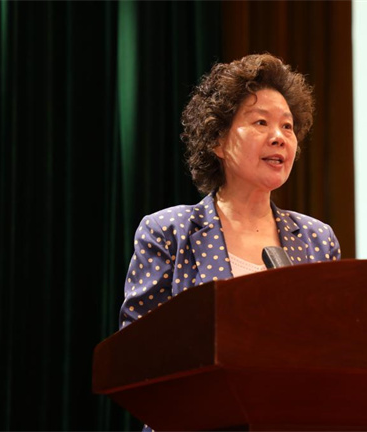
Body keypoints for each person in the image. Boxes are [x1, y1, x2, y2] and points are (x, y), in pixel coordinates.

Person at [119, 54, 341, 330]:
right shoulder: (169, 233)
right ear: (218, 140)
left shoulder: (317, 240)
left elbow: (331, 339)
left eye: (287, 126)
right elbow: (138, 342)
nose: (279, 137)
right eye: (261, 122)